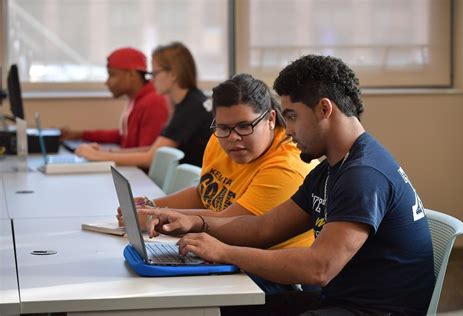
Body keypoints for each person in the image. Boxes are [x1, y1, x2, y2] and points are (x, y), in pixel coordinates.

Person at [141, 55, 436, 315]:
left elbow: (318, 268)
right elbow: (264, 228)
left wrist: (224, 252)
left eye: (292, 116)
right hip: (340, 302)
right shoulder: (330, 169)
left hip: (371, 310)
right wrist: (196, 223)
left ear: (324, 109)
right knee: (218, 307)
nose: (288, 129)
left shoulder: (363, 174)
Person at [118, 73, 315, 252]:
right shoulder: (219, 140)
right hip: (227, 252)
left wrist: (157, 216)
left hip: (267, 273)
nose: (233, 138)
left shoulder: (286, 167)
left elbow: (233, 224)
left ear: (271, 119)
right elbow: (203, 194)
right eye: (223, 128)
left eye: (245, 126)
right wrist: (150, 207)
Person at [76, 42, 212, 168]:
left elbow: (151, 158)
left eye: (155, 73)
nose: (151, 80)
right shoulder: (190, 102)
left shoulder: (191, 108)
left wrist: (98, 156)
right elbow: (156, 149)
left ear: (173, 74)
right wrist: (107, 152)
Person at [61, 47, 169, 148]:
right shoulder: (137, 100)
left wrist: (102, 155)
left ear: (131, 75)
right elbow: (123, 136)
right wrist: (79, 135)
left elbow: (148, 153)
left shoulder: (153, 103)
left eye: (112, 75)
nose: (107, 82)